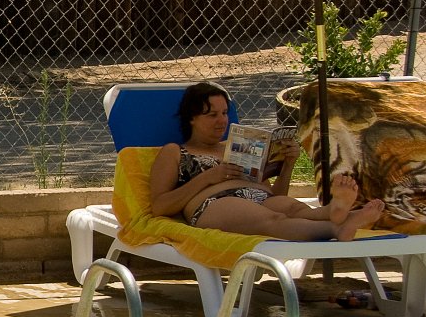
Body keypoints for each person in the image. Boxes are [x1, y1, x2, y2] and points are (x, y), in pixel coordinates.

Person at [150, 80, 383, 241]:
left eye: (224, 113)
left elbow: (274, 193)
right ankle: (336, 227)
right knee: (274, 220)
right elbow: (160, 206)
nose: (222, 121)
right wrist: (209, 178)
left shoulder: (237, 145)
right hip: (215, 202)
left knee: (294, 208)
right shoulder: (175, 151)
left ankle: (336, 211)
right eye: (212, 115)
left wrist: (287, 165)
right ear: (191, 118)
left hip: (260, 196)